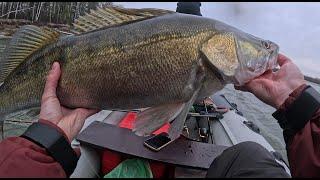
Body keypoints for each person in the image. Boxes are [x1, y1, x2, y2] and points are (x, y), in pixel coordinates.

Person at [0, 2, 320, 178]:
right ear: (217, 45)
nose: (268, 51)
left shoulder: (205, 63)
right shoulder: (197, 45)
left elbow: (165, 111)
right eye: (262, 46)